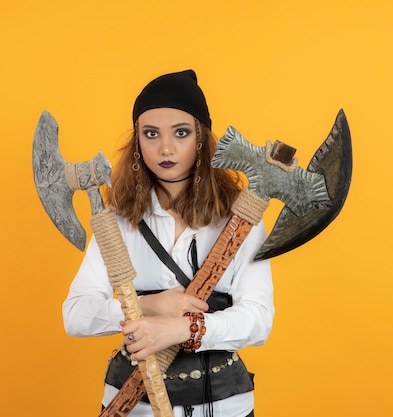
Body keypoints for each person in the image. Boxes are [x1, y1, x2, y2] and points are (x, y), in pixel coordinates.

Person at [62, 69, 275, 417]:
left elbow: (258, 318)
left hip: (222, 405)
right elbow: (75, 314)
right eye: (151, 134)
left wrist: (185, 328)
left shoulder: (240, 218)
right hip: (133, 405)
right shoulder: (116, 219)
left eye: (181, 133)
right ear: (137, 142)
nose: (165, 148)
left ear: (202, 139)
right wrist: (150, 307)